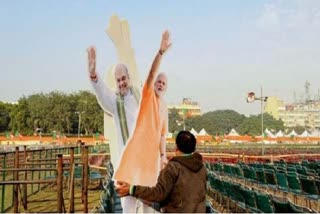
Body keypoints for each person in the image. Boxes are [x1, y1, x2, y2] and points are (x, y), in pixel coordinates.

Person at [113, 30, 171, 211]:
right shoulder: (147, 95)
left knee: (146, 204)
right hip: (135, 157)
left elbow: (162, 135)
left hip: (150, 162)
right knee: (129, 202)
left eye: (163, 83)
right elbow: (152, 72)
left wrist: (163, 156)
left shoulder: (164, 107)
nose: (160, 84)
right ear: (153, 84)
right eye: (158, 82)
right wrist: (160, 53)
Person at [87, 47, 140, 212]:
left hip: (144, 163)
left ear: (129, 78)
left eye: (123, 78)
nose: (121, 82)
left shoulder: (140, 96)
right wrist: (94, 74)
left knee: (147, 206)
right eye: (118, 80)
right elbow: (103, 92)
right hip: (127, 166)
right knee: (128, 208)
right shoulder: (116, 102)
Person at [116, 131, 208, 213]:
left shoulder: (174, 167)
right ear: (193, 148)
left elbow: (159, 193)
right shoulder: (202, 168)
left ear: (176, 148)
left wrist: (132, 189)